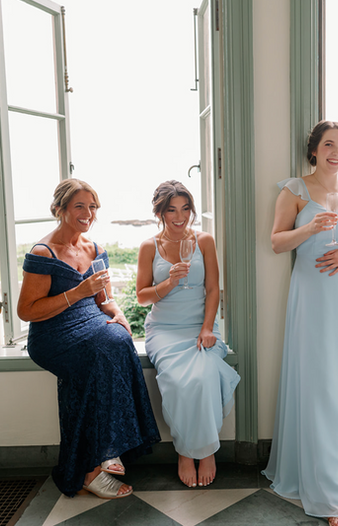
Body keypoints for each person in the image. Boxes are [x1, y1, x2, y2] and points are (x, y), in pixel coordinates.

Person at [263, 121, 338, 526]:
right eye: (330, 145)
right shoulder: (294, 190)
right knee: (323, 385)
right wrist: (309, 227)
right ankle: (332, 492)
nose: (337, 152)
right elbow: (277, 241)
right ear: (313, 149)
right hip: (313, 297)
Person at [18, 178, 160, 499]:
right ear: (60, 209)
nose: (88, 213)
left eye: (92, 207)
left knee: (120, 342)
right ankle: (93, 466)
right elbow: (27, 311)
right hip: (53, 334)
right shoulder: (43, 253)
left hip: (90, 324)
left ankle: (105, 453)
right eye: (79, 206)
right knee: (100, 354)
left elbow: (104, 300)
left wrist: (120, 317)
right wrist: (78, 292)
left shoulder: (94, 249)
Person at [136, 180, 240, 489]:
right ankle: (185, 451)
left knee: (204, 376)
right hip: (164, 330)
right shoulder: (148, 247)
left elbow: (212, 289)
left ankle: (205, 449)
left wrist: (208, 328)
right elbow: (142, 297)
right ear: (161, 212)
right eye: (171, 210)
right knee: (180, 382)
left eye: (185, 209)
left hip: (200, 325)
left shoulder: (204, 241)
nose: (180, 217)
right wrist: (168, 282)